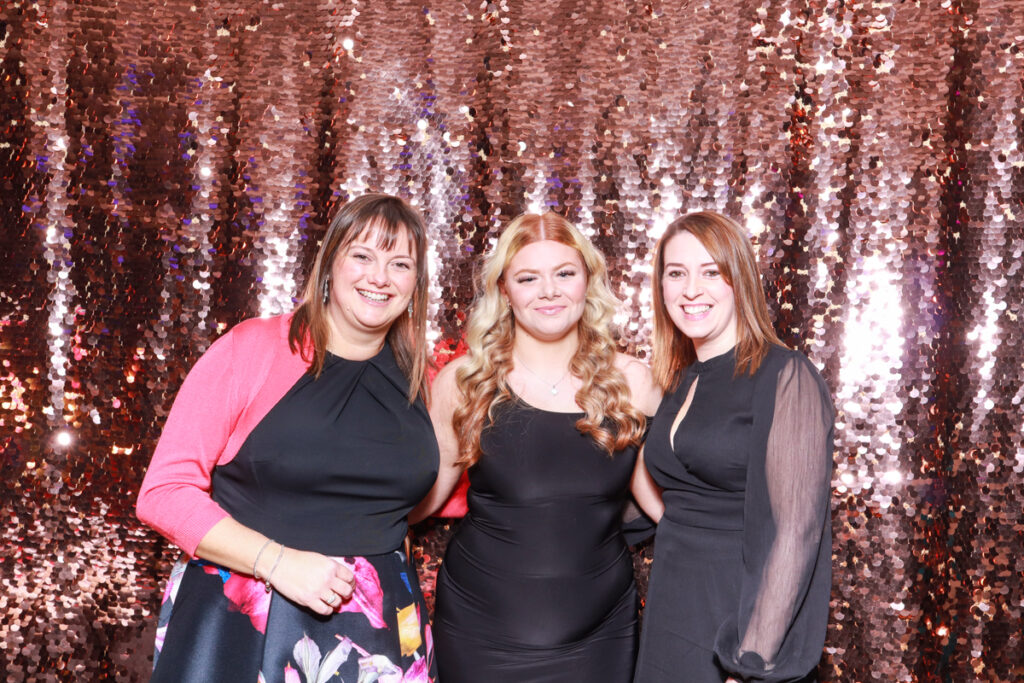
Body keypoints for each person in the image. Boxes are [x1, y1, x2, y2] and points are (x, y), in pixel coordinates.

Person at [136, 193, 439, 682]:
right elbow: (164, 495)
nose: (379, 277)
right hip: (248, 617)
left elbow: (424, 499)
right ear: (330, 264)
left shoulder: (420, 377)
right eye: (362, 256)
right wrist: (276, 563)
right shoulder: (250, 349)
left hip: (382, 631)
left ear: (416, 284)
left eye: (399, 264)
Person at [410, 211, 662, 682]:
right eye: (529, 278)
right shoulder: (465, 382)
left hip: (600, 634)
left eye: (564, 273)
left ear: (587, 280)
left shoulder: (632, 383)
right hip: (479, 632)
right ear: (505, 291)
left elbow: (661, 500)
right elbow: (422, 497)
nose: (549, 291)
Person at [631, 211, 834, 682]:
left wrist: (751, 661)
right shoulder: (681, 379)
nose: (691, 290)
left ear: (739, 279)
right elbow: (664, 482)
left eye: (710, 272)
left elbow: (798, 532)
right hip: (671, 606)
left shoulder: (785, 375)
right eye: (676, 274)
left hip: (736, 613)